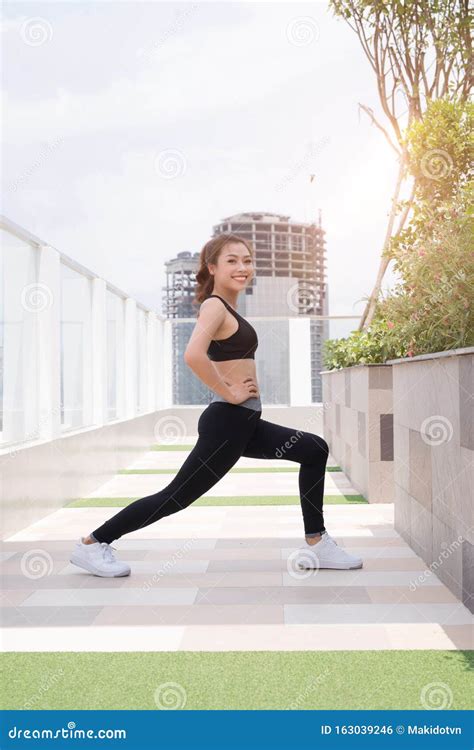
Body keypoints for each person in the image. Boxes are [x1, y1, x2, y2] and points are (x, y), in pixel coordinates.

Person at [70, 233, 363, 577]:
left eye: (247, 260)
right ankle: (92, 544)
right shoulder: (214, 306)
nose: (243, 267)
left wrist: (239, 394)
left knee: (314, 449)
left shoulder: (228, 308)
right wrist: (230, 391)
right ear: (212, 268)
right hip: (228, 423)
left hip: (244, 422)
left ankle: (317, 543)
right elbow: (193, 354)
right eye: (232, 261)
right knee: (176, 497)